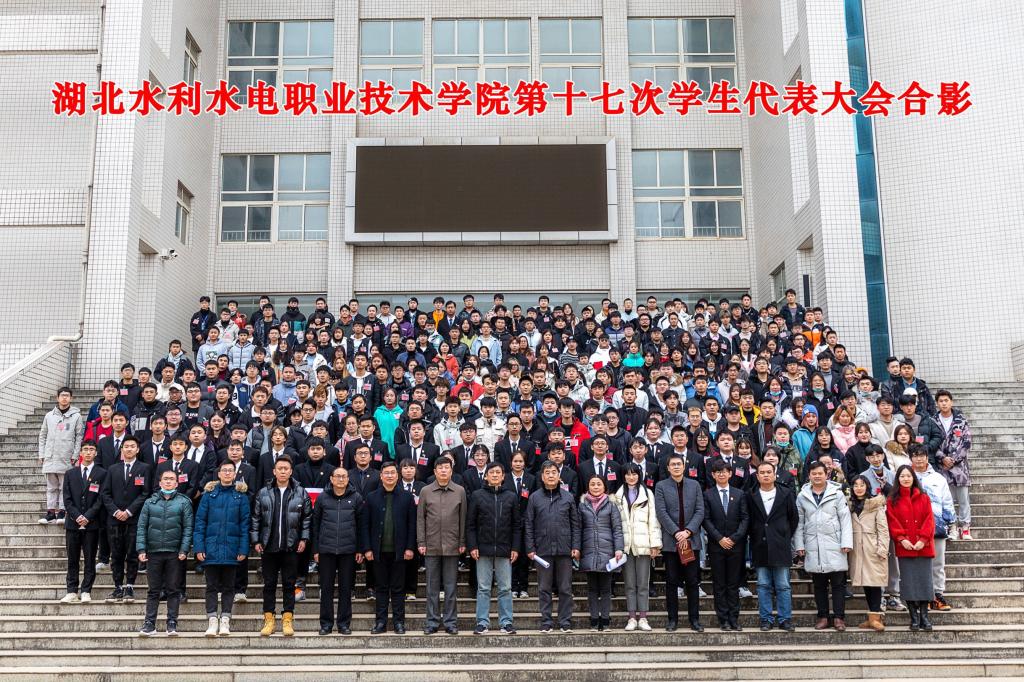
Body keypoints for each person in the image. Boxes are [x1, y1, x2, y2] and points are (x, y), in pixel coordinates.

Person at [252, 456, 312, 637]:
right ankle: (269, 619)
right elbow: (256, 518)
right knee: (269, 584)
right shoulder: (263, 493)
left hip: (291, 546)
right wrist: (256, 540)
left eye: (286, 468)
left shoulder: (301, 493)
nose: (283, 471)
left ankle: (287, 619)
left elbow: (307, 519)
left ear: (291, 471)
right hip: (269, 546)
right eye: (280, 468)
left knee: (289, 584)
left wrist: (304, 539)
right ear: (274, 471)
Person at [795, 460, 854, 631]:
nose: (817, 476)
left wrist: (846, 542)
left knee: (838, 584)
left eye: (820, 473)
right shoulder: (802, 496)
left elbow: (845, 519)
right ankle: (823, 616)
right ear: (809, 475)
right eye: (813, 474)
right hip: (813, 544)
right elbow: (799, 523)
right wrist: (799, 544)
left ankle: (839, 618)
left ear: (826, 474)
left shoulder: (837, 493)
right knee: (819, 585)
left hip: (834, 543)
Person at [193, 461, 250, 637]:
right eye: (224, 470)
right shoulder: (208, 496)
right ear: (218, 474)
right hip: (211, 547)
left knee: (228, 587)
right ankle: (212, 620)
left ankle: (225, 620)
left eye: (230, 471)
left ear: (235, 474)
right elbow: (200, 523)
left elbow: (245, 526)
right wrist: (199, 547)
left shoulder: (241, 497)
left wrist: (243, 549)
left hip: (232, 548)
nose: (227, 473)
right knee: (211, 587)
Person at [136, 469, 194, 636]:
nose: (168, 482)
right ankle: (149, 623)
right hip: (153, 551)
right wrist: (141, 549)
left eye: (172, 479)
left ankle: (172, 623)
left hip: (174, 552)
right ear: (160, 482)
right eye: (165, 479)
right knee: (153, 590)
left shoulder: (184, 502)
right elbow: (141, 527)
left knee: (173, 589)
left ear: (177, 483)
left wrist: (184, 549)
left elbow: (188, 528)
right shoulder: (150, 502)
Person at [526, 460, 581, 633]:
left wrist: (576, 546)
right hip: (542, 550)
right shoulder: (534, 497)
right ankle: (546, 621)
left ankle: (565, 621)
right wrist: (530, 548)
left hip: (565, 549)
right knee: (544, 588)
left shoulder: (568, 497)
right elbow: (529, 524)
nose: (551, 475)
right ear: (542, 477)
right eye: (547, 473)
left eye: (554, 472)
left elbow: (575, 524)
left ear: (559, 476)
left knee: (565, 588)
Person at [312, 467, 368, 635]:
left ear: (348, 479)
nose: (341, 479)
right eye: (338, 476)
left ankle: (344, 624)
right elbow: (315, 525)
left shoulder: (356, 498)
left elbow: (361, 526)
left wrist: (360, 549)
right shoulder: (322, 498)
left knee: (346, 589)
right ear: (331, 479)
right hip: (326, 550)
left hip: (348, 550)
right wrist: (316, 550)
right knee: (326, 588)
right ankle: (326, 624)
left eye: (344, 476)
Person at [467, 461, 521, 635]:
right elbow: (470, 524)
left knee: (505, 588)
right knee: (483, 588)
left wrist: (515, 547)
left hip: (505, 549)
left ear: (503, 476)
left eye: (498, 472)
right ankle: (482, 622)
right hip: (482, 549)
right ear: (486, 476)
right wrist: (472, 546)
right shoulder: (477, 495)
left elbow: (516, 525)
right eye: (492, 472)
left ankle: (506, 622)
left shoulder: (511, 496)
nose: (495, 475)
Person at [654, 453, 706, 632]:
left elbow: (700, 510)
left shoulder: (695, 485)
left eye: (679, 464)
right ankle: (672, 620)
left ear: (684, 466)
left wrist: (688, 531)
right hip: (671, 542)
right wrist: (676, 532)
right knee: (671, 582)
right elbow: (661, 512)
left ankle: (695, 620)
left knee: (692, 581)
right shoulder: (661, 486)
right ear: (668, 468)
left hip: (691, 540)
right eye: (673, 464)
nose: (676, 467)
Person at [417, 455, 468, 635]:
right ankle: (432, 622)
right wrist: (421, 541)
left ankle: (450, 622)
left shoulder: (460, 491)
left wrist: (462, 541)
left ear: (451, 471)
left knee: (450, 587)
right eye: (440, 468)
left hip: (452, 545)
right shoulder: (426, 491)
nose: (444, 471)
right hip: (431, 545)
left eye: (447, 468)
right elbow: (420, 518)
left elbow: (463, 518)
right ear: (435, 471)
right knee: (431, 587)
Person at [365, 461, 418, 634]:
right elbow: (365, 525)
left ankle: (398, 623)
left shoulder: (407, 497)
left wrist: (410, 547)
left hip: (400, 551)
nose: (389, 476)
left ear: (397, 476)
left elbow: (412, 524)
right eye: (386, 473)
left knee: (398, 589)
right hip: (378, 551)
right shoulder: (371, 497)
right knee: (380, 588)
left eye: (392, 473)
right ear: (381, 476)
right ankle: (380, 623)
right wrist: (367, 548)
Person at [747, 461, 799, 632]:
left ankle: (785, 619)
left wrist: (784, 534)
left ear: (775, 474)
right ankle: (766, 619)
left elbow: (793, 518)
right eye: (762, 472)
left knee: (783, 585)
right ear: (757, 476)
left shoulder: (786, 493)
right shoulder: (751, 494)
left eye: (769, 472)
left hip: (780, 545)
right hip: (759, 545)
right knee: (763, 585)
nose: (766, 475)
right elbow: (748, 519)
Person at [101, 436, 152, 604]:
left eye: (132, 446)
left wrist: (129, 511)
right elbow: (105, 493)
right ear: (121, 449)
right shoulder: (112, 469)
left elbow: (145, 493)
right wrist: (116, 511)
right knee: (116, 555)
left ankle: (129, 586)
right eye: (126, 446)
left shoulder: (144, 468)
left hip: (134, 519)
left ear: (137, 449)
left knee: (132, 554)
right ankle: (117, 586)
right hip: (114, 519)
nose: (129, 449)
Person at [702, 458, 750, 631]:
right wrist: (719, 538)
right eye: (718, 472)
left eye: (724, 472)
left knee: (733, 583)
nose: (721, 474)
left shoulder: (739, 494)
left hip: (736, 546)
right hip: (717, 545)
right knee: (719, 584)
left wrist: (734, 538)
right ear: (713, 475)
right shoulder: (708, 494)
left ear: (730, 473)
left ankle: (734, 618)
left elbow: (745, 518)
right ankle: (723, 619)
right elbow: (706, 519)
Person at [886, 464, 936, 632]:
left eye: (908, 476)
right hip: (905, 547)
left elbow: (929, 520)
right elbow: (892, 521)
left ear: (913, 478)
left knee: (924, 582)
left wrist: (923, 539)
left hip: (923, 547)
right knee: (908, 583)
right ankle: (913, 617)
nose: (906, 479)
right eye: (902, 476)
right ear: (898, 479)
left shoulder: (924, 497)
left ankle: (924, 617)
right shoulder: (892, 499)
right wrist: (901, 539)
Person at [613, 463, 661, 631]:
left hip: (643, 544)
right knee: (629, 584)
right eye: (628, 474)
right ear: (623, 476)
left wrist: (655, 544)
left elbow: (653, 519)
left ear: (639, 475)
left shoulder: (647, 493)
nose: (631, 477)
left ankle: (643, 618)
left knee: (643, 584)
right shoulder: (618, 495)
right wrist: (617, 546)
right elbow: (615, 524)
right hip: (626, 546)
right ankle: (632, 617)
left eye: (634, 474)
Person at [910, 444, 956, 612]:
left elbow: (947, 502)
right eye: (915, 455)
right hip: (913, 528)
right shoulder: (906, 477)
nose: (919, 459)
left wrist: (950, 524)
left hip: (936, 526)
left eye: (922, 455)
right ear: (911, 458)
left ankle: (938, 594)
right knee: (917, 564)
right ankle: (921, 596)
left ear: (927, 457)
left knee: (938, 563)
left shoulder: (938, 478)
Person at [60, 440, 107, 603]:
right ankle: (71, 590)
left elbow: (101, 498)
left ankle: (86, 589)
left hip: (92, 523)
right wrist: (76, 516)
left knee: (90, 558)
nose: (88, 452)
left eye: (91, 449)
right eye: (85, 449)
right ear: (80, 452)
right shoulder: (70, 473)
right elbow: (66, 498)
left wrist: (88, 516)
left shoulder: (102, 473)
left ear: (96, 453)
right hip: (73, 523)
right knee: (72, 559)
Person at [579, 475, 624, 631]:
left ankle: (605, 620)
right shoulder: (582, 505)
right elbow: (578, 529)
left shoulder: (611, 504)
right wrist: (577, 548)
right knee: (592, 589)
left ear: (604, 486)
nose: (596, 487)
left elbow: (617, 529)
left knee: (606, 589)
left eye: (599, 484)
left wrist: (619, 548)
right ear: (588, 487)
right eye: (593, 484)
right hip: (589, 550)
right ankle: (593, 620)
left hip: (607, 551)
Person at [848, 474, 889, 631]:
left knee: (875, 582)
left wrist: (882, 549)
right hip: (857, 549)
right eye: (856, 485)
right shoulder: (850, 505)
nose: (859, 488)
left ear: (867, 487)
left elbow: (883, 530)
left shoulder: (875, 504)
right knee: (866, 582)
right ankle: (872, 617)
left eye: (862, 485)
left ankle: (876, 617)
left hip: (872, 547)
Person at [39, 387, 85, 525]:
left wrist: (76, 454)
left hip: (67, 456)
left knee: (64, 486)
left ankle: (63, 512)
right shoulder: (49, 416)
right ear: (57, 398)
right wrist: (41, 454)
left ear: (71, 398)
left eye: (67, 395)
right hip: (50, 455)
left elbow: (79, 436)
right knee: (51, 487)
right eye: (62, 395)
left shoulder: (76, 416)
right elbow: (43, 435)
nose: (64, 398)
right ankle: (51, 512)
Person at [933, 390, 973, 540]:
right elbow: (931, 442)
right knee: (946, 499)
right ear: (937, 403)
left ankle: (965, 528)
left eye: (946, 400)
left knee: (963, 499)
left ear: (951, 402)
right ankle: (952, 527)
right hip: (942, 467)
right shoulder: (933, 421)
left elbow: (967, 442)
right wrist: (942, 458)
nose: (944, 403)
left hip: (960, 468)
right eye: (941, 401)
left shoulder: (961, 420)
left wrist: (954, 460)